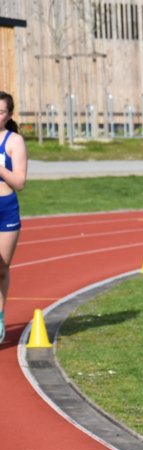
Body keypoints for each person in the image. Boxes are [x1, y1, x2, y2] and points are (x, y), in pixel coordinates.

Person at [0, 91, 27, 345]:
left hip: (5, 208)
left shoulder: (14, 141)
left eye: (0, 112)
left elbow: (19, 182)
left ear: (9, 115)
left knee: (1, 269)